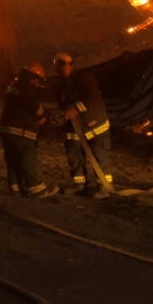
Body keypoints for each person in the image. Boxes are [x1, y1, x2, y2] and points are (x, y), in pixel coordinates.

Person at [52, 52, 112, 198]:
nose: (60, 69)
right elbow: (62, 103)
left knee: (99, 155)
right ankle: (80, 185)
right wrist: (64, 114)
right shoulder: (59, 83)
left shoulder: (84, 78)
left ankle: (104, 187)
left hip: (95, 125)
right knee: (74, 155)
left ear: (72, 65)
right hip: (75, 127)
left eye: (63, 65)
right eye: (57, 66)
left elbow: (93, 98)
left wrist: (75, 109)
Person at [0, 62, 60, 198]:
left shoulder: (17, 85)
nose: (39, 86)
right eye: (39, 82)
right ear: (34, 78)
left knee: (13, 160)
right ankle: (38, 190)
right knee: (28, 158)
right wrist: (42, 115)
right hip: (21, 132)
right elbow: (31, 105)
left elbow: (21, 107)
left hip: (8, 130)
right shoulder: (26, 86)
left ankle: (16, 189)